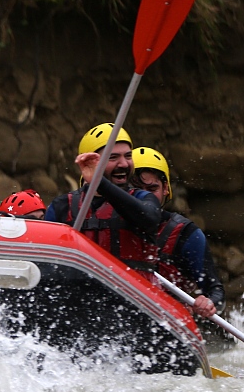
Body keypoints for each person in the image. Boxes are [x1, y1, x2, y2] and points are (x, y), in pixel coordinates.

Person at [44, 123, 162, 271]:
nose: (124, 164)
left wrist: (100, 183)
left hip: (129, 286)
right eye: (113, 157)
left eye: (128, 156)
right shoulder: (61, 206)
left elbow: (149, 220)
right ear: (88, 164)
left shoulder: (144, 198)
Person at [131, 146, 224, 319]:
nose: (144, 197)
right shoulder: (109, 224)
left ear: (165, 189)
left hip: (167, 322)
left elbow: (216, 291)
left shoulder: (187, 235)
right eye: (136, 189)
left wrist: (208, 302)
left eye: (152, 189)